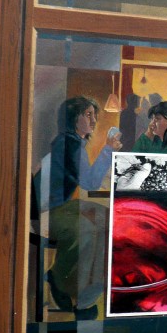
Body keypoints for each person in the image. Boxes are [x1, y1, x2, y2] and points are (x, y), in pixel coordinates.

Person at [46, 96, 122, 317]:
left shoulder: (72, 141)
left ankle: (88, 293)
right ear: (73, 118)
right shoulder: (69, 143)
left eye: (94, 114)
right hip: (49, 210)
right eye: (88, 114)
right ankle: (61, 281)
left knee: (107, 221)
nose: (94, 119)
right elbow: (89, 182)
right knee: (88, 229)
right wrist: (108, 150)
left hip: (63, 204)